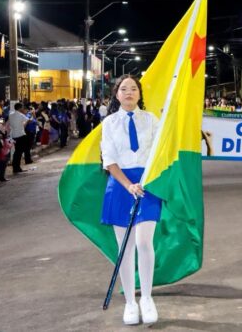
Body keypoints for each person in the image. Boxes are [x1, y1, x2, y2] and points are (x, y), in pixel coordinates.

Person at [99, 75, 161, 325]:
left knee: (144, 242)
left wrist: (146, 180)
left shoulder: (152, 120)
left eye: (133, 88)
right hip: (121, 184)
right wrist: (128, 185)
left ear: (139, 93)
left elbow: (160, 152)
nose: (129, 92)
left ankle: (147, 298)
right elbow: (109, 158)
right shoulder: (109, 123)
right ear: (116, 95)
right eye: (123, 89)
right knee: (125, 248)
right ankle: (130, 303)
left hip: (147, 184)